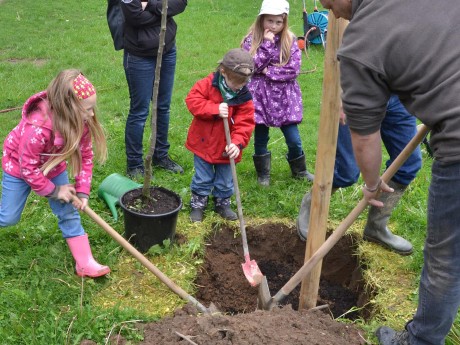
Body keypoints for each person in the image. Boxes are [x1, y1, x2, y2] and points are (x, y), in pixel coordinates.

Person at [320, 0, 460, 344]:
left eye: (329, 4)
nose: (333, 15)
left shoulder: (361, 42)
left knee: (445, 259)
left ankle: (421, 341)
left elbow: (365, 137)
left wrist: (372, 185)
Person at [1, 69, 110, 278]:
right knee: (8, 218)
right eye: (87, 109)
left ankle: (85, 263)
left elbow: (85, 156)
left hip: (53, 165)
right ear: (68, 108)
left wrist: (83, 192)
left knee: (68, 210)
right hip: (19, 167)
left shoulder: (81, 122)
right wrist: (54, 191)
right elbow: (28, 169)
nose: (92, 114)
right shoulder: (38, 128)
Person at [297, 95, 422, 256]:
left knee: (407, 164)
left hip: (399, 93)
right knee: (346, 172)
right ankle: (311, 203)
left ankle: (377, 227)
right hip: (359, 88)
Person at [241, 0, 314, 186]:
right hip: (260, 96)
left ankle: (300, 170)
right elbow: (251, 65)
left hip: (285, 98)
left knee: (293, 138)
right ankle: (263, 174)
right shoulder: (251, 40)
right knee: (260, 137)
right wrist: (265, 44)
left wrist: (268, 72)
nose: (273, 26)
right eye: (270, 21)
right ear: (262, 19)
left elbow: (293, 70)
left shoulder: (290, 40)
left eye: (278, 22)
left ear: (284, 21)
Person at [185, 48, 255, 222]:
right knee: (203, 177)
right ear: (223, 72)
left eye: (243, 84)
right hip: (203, 143)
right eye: (235, 84)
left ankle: (222, 203)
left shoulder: (243, 96)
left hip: (227, 146)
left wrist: (237, 144)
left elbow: (245, 122)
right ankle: (198, 204)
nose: (239, 87)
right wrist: (214, 108)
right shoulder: (207, 84)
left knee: (225, 179)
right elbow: (192, 101)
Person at [121, 0, 187, 178]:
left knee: (162, 107)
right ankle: (134, 164)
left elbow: (179, 4)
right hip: (139, 56)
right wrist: (163, 11)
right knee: (140, 111)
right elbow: (135, 17)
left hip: (167, 50)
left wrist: (149, 4)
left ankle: (160, 155)